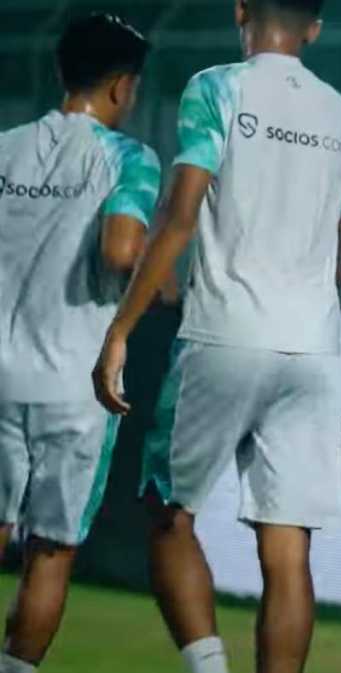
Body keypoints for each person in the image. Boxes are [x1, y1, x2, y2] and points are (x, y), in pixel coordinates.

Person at [92, 2, 341, 672]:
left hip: (223, 333)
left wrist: (121, 329)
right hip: (312, 348)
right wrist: (304, 297)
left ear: (241, 10)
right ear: (315, 27)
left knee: (166, 513)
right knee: (287, 546)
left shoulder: (217, 87)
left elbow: (181, 211)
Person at [0, 13, 157, 673]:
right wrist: (161, 266)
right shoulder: (129, 158)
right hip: (75, 383)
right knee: (51, 551)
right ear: (123, 87)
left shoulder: (5, 146)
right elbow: (122, 250)